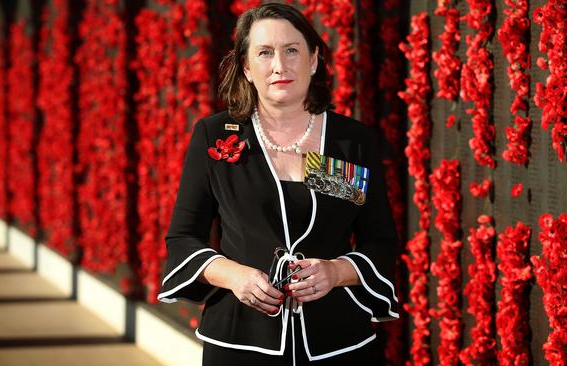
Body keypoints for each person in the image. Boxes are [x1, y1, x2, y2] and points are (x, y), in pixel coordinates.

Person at [157, 3, 399, 365]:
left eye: (291, 50)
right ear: (246, 68)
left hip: (338, 343)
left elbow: (380, 241)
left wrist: (335, 272)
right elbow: (182, 239)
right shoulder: (214, 136)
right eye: (264, 53)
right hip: (240, 342)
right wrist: (235, 276)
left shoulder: (351, 141)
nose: (279, 65)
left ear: (314, 60)